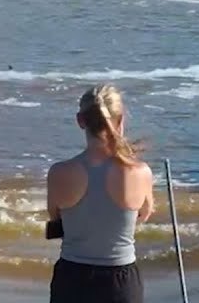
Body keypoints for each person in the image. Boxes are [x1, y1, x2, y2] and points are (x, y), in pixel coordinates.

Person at [46, 84, 155, 303]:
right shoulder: (140, 172)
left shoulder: (59, 173)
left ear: (80, 121)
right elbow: (144, 214)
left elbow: (55, 217)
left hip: (72, 279)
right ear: (120, 121)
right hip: (120, 282)